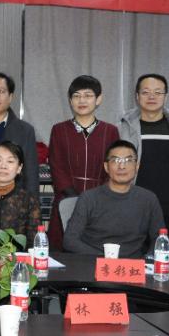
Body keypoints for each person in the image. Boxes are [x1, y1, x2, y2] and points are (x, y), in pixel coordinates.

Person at [118, 74, 169, 249]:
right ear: (137, 96)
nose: (152, 97)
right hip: (131, 204)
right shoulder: (123, 127)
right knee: (130, 255)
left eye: (157, 92)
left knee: (163, 256)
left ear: (165, 96)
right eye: (146, 92)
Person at [47, 75, 120, 250]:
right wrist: (73, 196)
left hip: (101, 201)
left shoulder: (110, 131)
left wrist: (99, 196)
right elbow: (56, 165)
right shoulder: (59, 130)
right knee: (62, 248)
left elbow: (113, 166)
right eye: (76, 96)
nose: (82, 100)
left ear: (98, 99)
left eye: (88, 95)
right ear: (70, 100)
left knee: (96, 249)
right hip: (67, 198)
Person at [63, 140, 165, 259]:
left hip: (133, 264)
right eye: (116, 160)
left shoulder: (149, 199)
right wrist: (106, 259)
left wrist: (147, 259)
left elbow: (159, 238)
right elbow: (70, 240)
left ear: (137, 166)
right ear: (106, 167)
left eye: (128, 160)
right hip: (94, 262)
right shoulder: (89, 198)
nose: (122, 166)